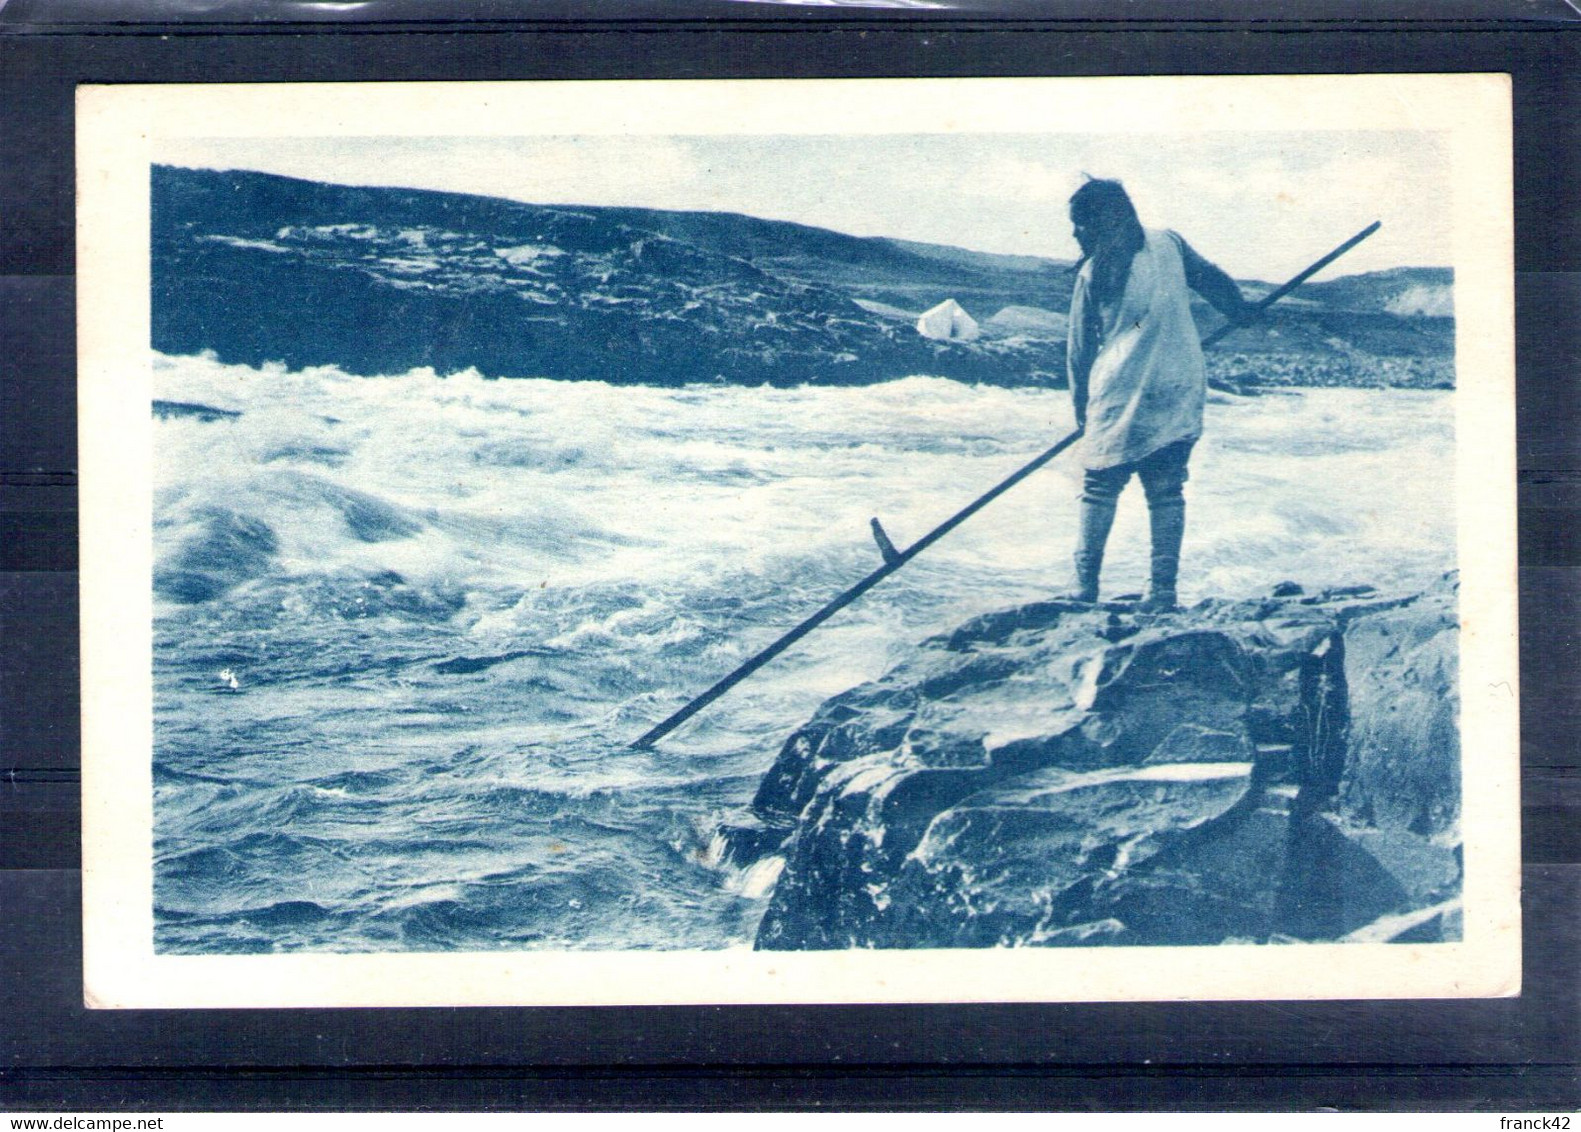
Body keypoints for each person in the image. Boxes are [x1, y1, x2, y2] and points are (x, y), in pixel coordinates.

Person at [1063, 178, 1252, 611]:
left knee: (1098, 487)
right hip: (1177, 384)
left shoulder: (1093, 273)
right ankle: (1162, 592)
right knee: (1166, 489)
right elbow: (1212, 280)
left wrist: (1080, 410)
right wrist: (1240, 311)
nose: (1076, 234)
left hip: (1120, 390)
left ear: (1100, 221)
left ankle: (1084, 588)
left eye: (1080, 224)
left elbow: (1079, 351)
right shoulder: (1170, 243)